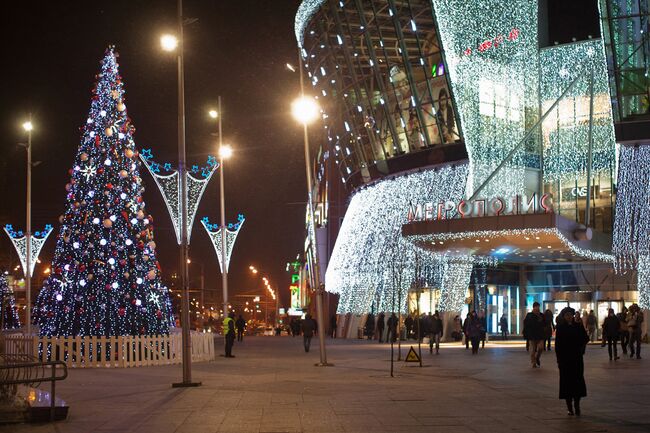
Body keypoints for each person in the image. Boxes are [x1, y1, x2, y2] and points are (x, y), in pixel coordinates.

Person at [555, 307, 589, 416]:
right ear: (564, 316)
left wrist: (581, 348)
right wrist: (559, 360)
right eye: (567, 315)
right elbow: (558, 346)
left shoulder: (578, 326)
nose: (569, 317)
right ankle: (569, 407)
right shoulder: (561, 328)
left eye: (570, 315)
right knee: (566, 383)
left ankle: (577, 405)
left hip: (576, 358)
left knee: (577, 381)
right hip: (565, 359)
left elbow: (585, 338)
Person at [524, 302, 546, 368]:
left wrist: (541, 320)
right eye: (536, 307)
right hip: (532, 335)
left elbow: (545, 324)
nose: (537, 308)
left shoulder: (541, 315)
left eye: (538, 307)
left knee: (541, 348)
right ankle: (533, 362)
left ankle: (537, 358)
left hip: (540, 335)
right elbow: (526, 324)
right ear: (533, 308)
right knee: (533, 350)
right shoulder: (529, 315)